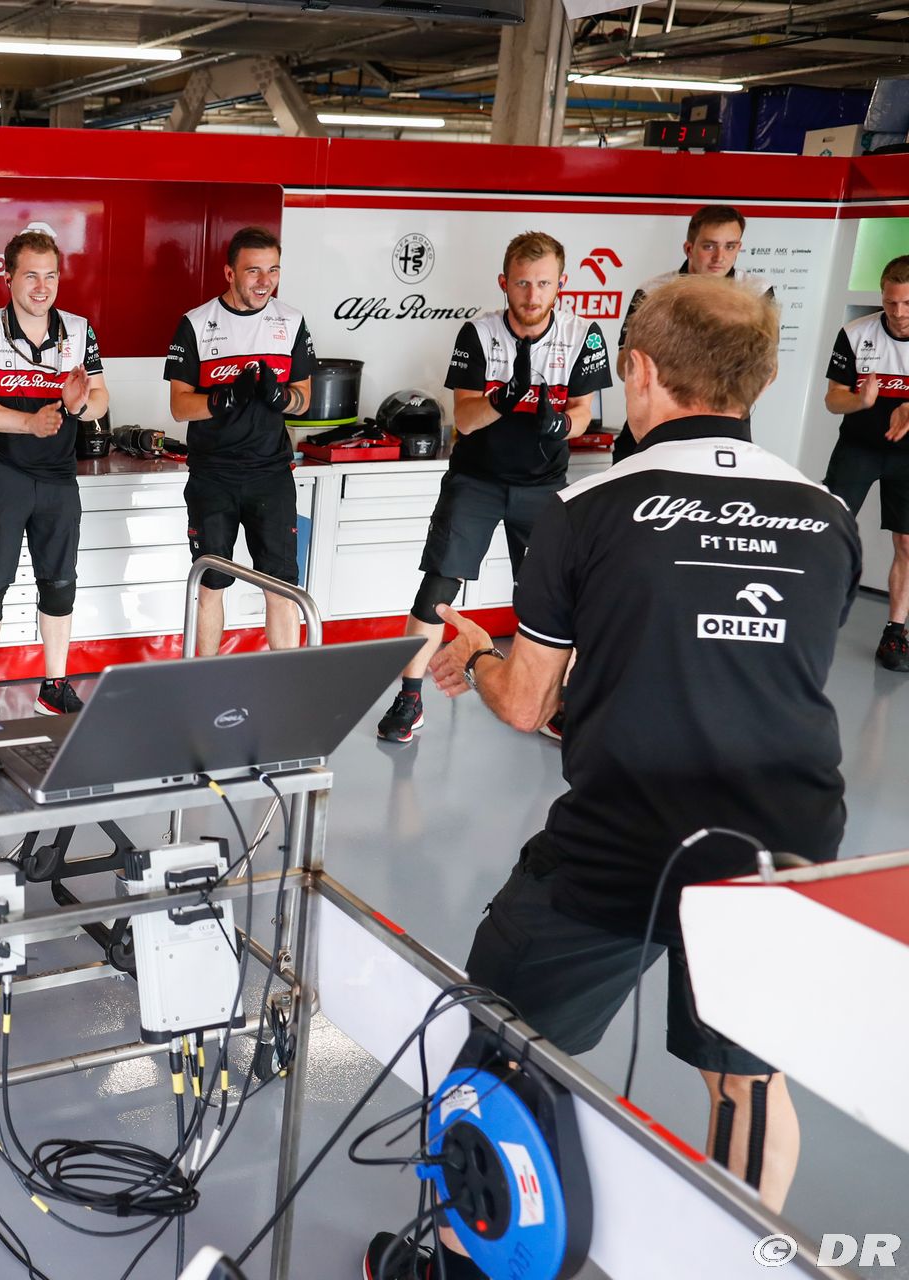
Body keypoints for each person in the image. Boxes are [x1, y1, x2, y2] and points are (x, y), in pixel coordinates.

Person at [364, 275, 859, 1279]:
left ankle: (460, 1262)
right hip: (784, 838)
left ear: (636, 368)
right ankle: (732, 1265)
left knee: (501, 1035)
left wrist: (479, 652)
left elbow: (524, 703)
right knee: (749, 1081)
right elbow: (733, 665)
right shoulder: (828, 514)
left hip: (625, 830)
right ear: (764, 379)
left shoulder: (589, 509)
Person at [375, 231, 610, 745]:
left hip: (543, 486)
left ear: (562, 284)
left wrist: (559, 425)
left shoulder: (583, 334)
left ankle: (556, 700)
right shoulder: (477, 334)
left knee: (552, 597)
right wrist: (501, 401)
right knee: (438, 588)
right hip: (476, 480)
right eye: (522, 283)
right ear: (504, 282)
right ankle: (409, 699)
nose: (532, 294)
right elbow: (464, 417)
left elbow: (582, 414)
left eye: (543, 283)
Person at [0, 229, 109, 726]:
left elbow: (100, 398)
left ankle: (54, 687)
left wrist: (78, 406)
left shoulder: (79, 330)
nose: (42, 287)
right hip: (2, 475)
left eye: (51, 276)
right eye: (31, 276)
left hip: (59, 477)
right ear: (9, 277)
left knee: (60, 583)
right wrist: (27, 423)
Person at [164, 226, 316, 656]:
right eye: (254, 271)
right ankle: (204, 680)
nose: (265, 281)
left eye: (273, 270)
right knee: (211, 585)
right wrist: (220, 400)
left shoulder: (291, 321)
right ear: (229, 273)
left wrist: (281, 397)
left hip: (271, 474)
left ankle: (284, 683)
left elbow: (303, 399)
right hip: (213, 476)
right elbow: (179, 406)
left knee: (281, 587)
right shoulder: (195, 323)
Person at [612, 204, 775, 461]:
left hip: (726, 425)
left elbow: (767, 368)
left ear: (739, 247)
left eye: (730, 246)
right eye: (709, 246)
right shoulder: (653, 291)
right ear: (689, 248)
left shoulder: (756, 291)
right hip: (659, 418)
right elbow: (625, 367)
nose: (719, 257)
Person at [822, 253, 909, 673]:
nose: (899, 312)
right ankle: (812, 613)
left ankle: (895, 631)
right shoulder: (856, 333)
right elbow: (832, 399)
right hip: (858, 448)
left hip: (908, 457)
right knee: (828, 528)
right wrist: (861, 400)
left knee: (907, 543)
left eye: (907, 303)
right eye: (891, 302)